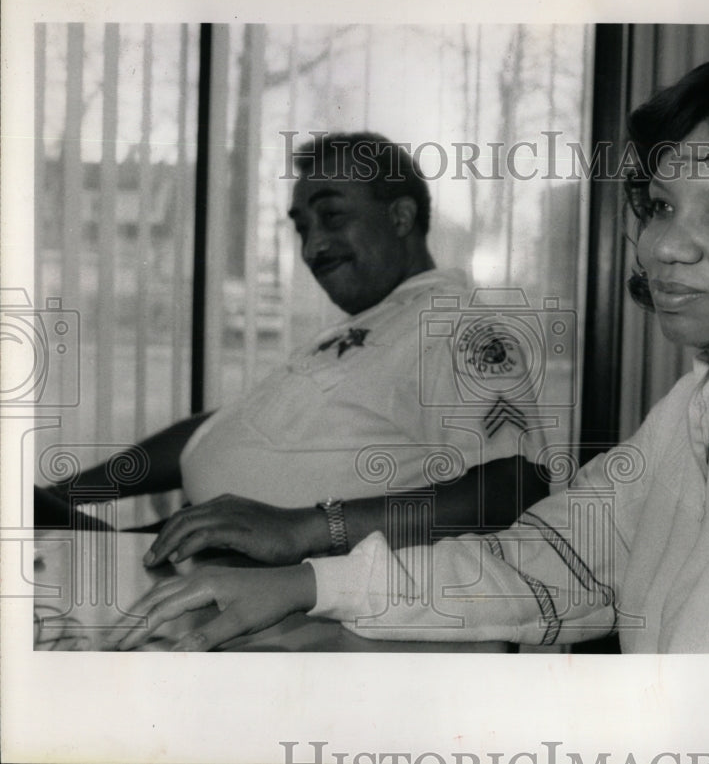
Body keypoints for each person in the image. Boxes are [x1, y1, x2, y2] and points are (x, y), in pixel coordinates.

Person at [110, 57, 709, 654]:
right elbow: (543, 563)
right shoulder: (699, 406)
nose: (664, 246)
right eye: (662, 205)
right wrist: (309, 587)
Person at [38, 132, 551, 567]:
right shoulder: (371, 326)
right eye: (302, 228)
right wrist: (72, 493)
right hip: (191, 549)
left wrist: (305, 528)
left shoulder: (458, 326)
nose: (311, 248)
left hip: (284, 599)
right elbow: (222, 429)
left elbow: (513, 490)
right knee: (30, 515)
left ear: (399, 217)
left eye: (331, 217)